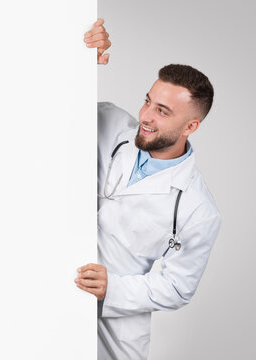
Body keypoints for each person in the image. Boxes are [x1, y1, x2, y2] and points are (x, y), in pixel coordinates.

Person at [74, 19, 221, 359]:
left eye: (162, 111)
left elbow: (177, 287)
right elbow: (54, 110)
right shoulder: (110, 123)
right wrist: (79, 61)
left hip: (115, 325)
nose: (145, 116)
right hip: (49, 283)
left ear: (191, 126)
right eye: (147, 101)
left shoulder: (198, 209)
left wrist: (113, 287)